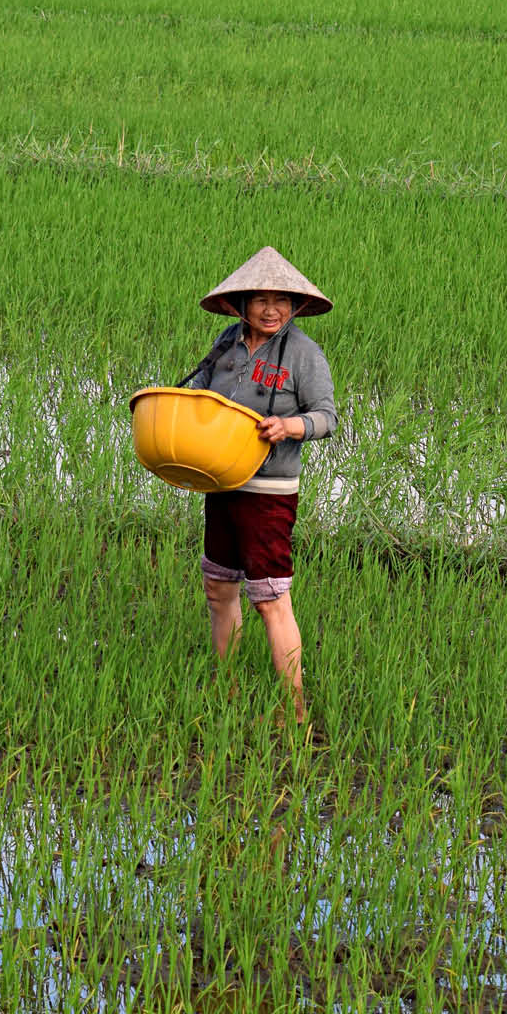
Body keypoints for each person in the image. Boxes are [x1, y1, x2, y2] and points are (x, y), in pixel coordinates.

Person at [180, 246, 337, 725]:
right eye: (261, 300)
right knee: (217, 585)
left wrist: (289, 427)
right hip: (221, 479)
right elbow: (197, 393)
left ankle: (295, 711)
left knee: (270, 597)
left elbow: (327, 418)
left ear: (295, 307)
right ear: (242, 303)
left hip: (268, 491)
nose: (272, 310)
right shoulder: (226, 343)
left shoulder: (305, 354)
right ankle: (223, 687)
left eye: (282, 301)